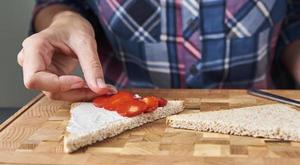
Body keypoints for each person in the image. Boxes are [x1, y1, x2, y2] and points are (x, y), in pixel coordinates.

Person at [18, 0, 300, 102]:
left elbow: (293, 20)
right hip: (122, 130)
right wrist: (63, 21)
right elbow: (61, 2)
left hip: (266, 135)